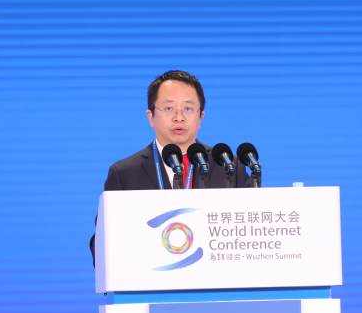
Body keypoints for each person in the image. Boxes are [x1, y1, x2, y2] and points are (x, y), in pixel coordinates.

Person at [90, 70, 249, 262]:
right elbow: (102, 242)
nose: (179, 117)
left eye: (188, 109)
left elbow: (250, 232)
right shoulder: (124, 173)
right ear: (150, 117)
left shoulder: (227, 165)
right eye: (168, 108)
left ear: (201, 116)